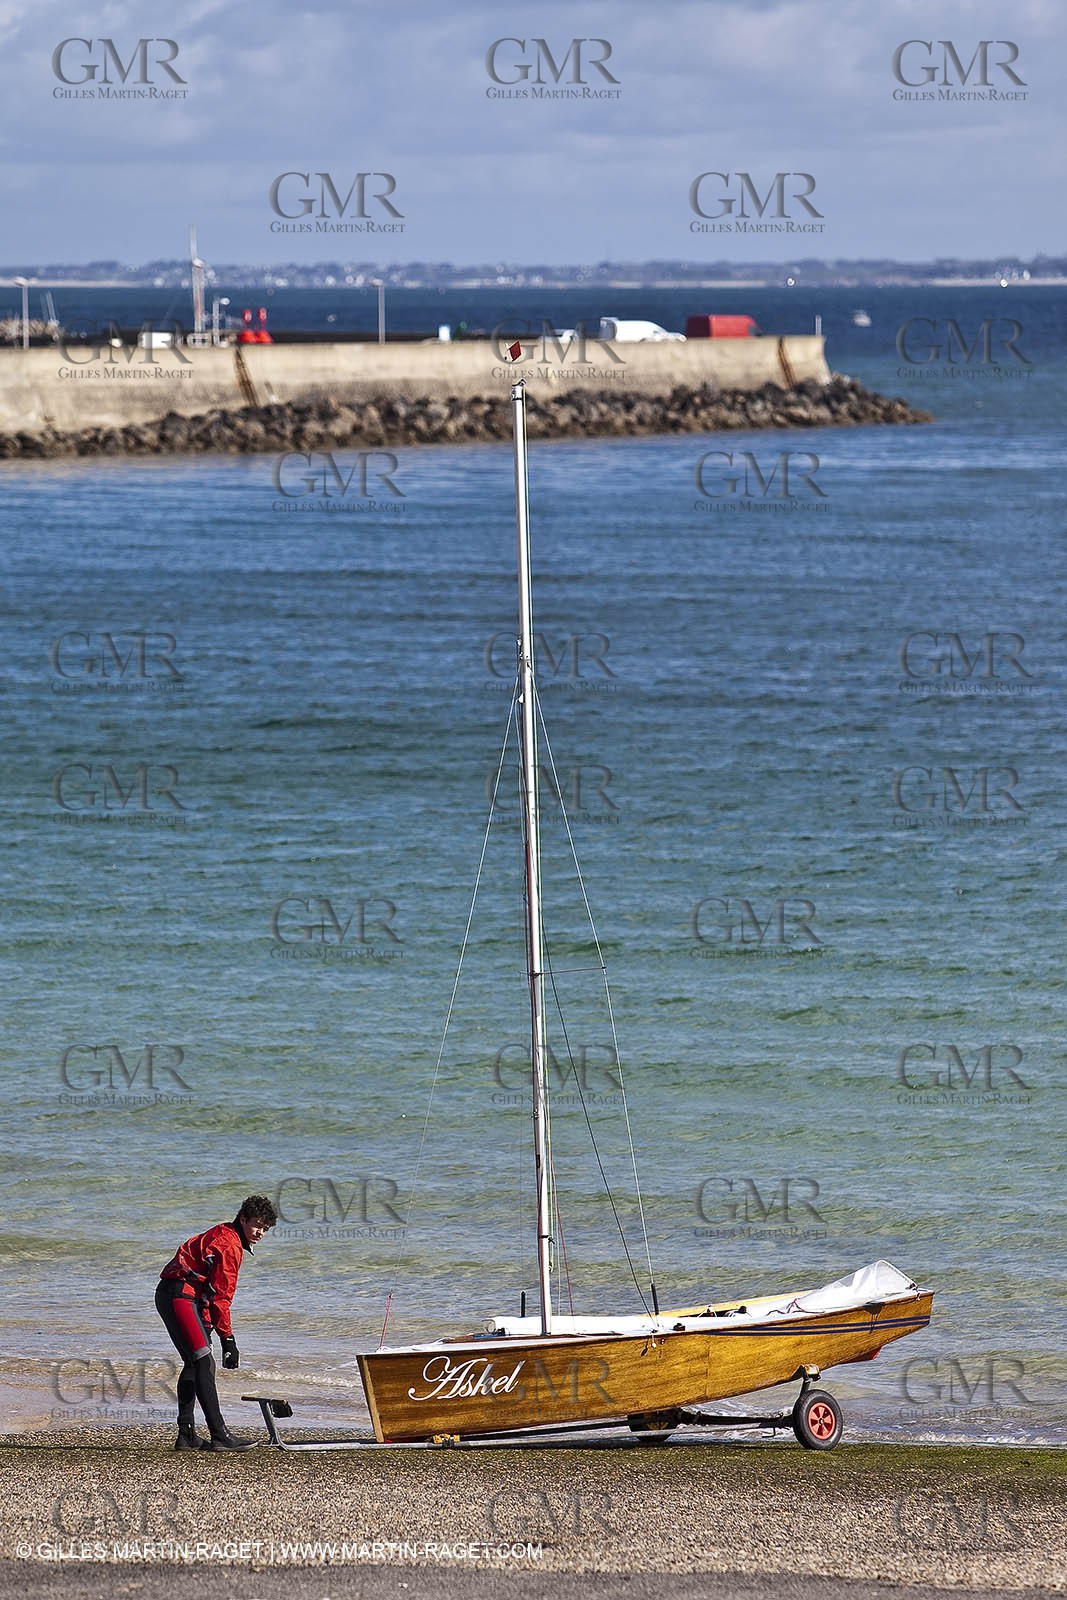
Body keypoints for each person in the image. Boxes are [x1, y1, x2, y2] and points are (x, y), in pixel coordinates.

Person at [155, 1194, 277, 1451]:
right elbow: (221, 1297)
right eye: (256, 1225)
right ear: (242, 1219)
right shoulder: (230, 1246)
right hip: (179, 1296)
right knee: (203, 1361)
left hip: (177, 1295)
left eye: (265, 1229)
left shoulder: (227, 1233)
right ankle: (219, 1435)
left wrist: (208, 1325)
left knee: (194, 1362)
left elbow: (210, 1292)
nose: (260, 1233)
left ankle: (186, 1435)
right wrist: (228, 1340)